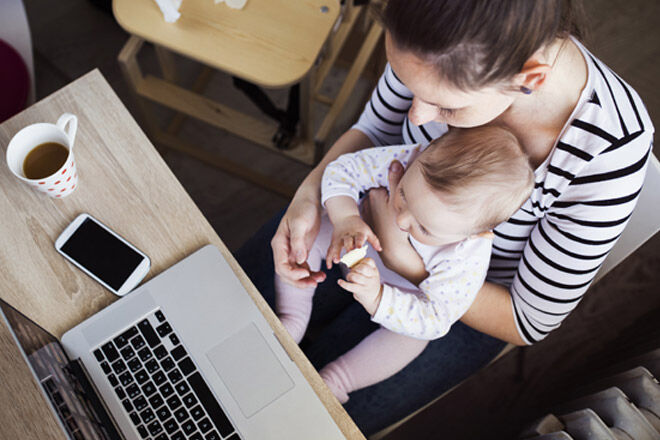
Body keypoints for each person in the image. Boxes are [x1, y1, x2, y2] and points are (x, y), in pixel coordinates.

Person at [236, 0, 654, 434]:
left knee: (297, 418)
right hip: (363, 214)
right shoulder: (433, 29)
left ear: (529, 78)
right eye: (407, 82)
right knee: (232, 317)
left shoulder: (609, 149)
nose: (416, 116)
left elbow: (527, 319)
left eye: (446, 107)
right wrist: (309, 195)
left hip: (462, 303)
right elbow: (377, 131)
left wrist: (410, 265)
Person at [276, 126, 534, 403]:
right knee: (308, 236)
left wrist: (378, 298)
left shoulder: (469, 253)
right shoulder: (410, 157)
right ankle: (292, 316)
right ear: (423, 154)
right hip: (353, 241)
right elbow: (342, 170)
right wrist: (346, 218)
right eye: (403, 196)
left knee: (412, 338)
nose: (401, 221)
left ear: (476, 233)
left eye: (423, 227)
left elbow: (436, 317)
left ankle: (338, 380)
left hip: (403, 292)